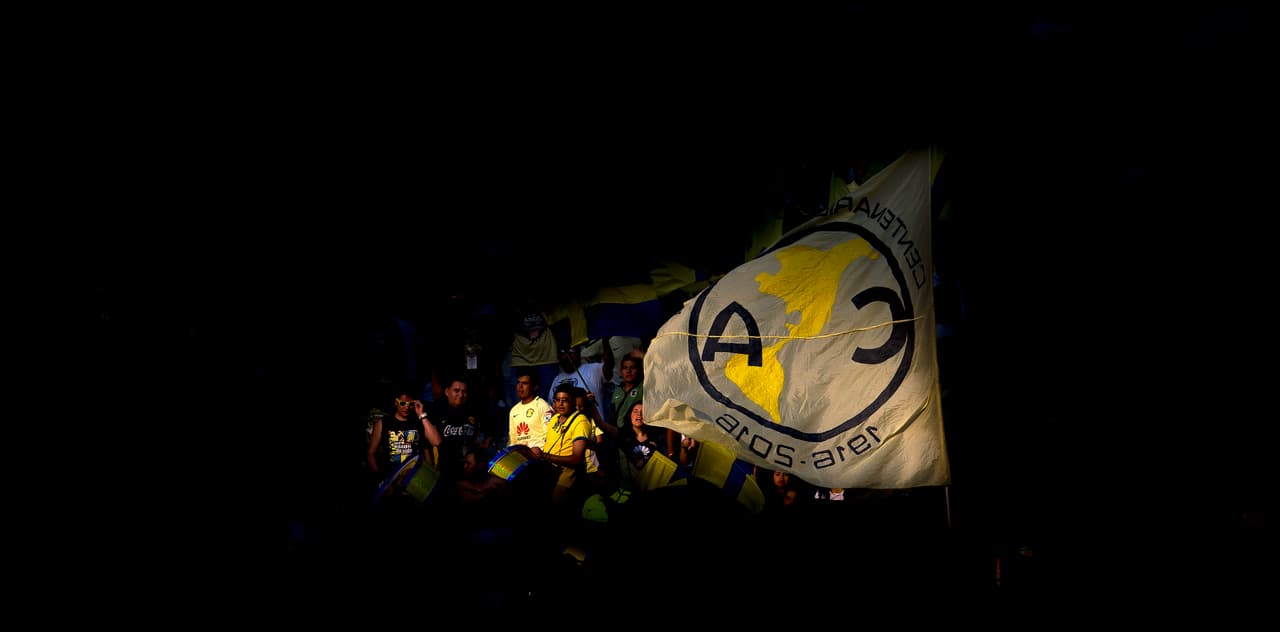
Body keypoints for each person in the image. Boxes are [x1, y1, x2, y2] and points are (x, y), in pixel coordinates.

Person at [366, 388, 443, 486]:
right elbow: (371, 453)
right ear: (396, 403)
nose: (406, 407)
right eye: (403, 403)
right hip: (390, 478)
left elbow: (436, 442)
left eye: (410, 404)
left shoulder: (419, 422)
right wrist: (379, 476)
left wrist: (421, 414)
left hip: (415, 478)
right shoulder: (383, 423)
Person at [547, 337, 614, 424]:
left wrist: (605, 342)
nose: (568, 355)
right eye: (563, 352)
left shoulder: (593, 369)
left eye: (572, 351)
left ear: (579, 353)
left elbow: (609, 366)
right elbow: (552, 408)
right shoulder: (557, 379)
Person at [507, 367, 552, 456]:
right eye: (518, 383)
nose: (520, 386)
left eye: (525, 383)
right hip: (520, 458)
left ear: (535, 387)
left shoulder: (543, 406)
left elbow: (550, 436)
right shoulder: (513, 410)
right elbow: (513, 440)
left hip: (539, 457)